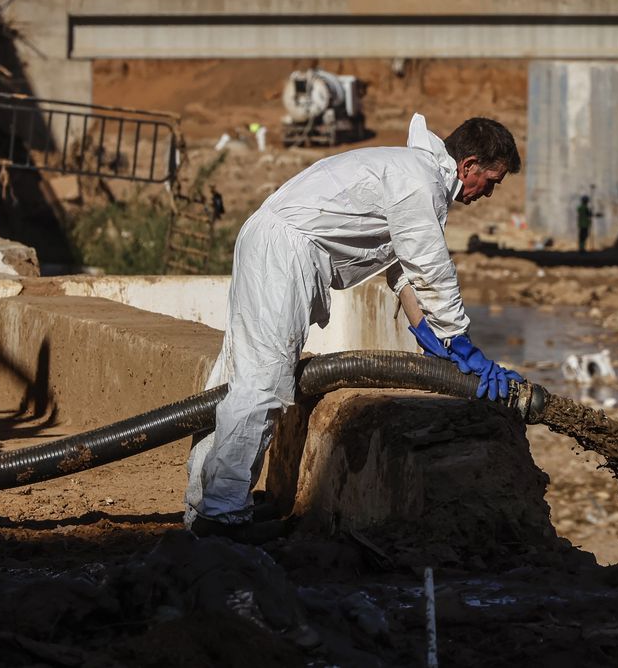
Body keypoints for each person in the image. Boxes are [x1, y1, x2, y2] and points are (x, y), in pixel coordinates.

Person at [183, 113, 524, 542]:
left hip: (271, 242)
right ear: (468, 164)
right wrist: (460, 342)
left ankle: (205, 507)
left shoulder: (412, 176)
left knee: (240, 376)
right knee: (261, 381)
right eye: (491, 180)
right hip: (285, 251)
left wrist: (432, 338)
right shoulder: (420, 182)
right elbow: (432, 271)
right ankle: (221, 516)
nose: (489, 193)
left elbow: (404, 274)